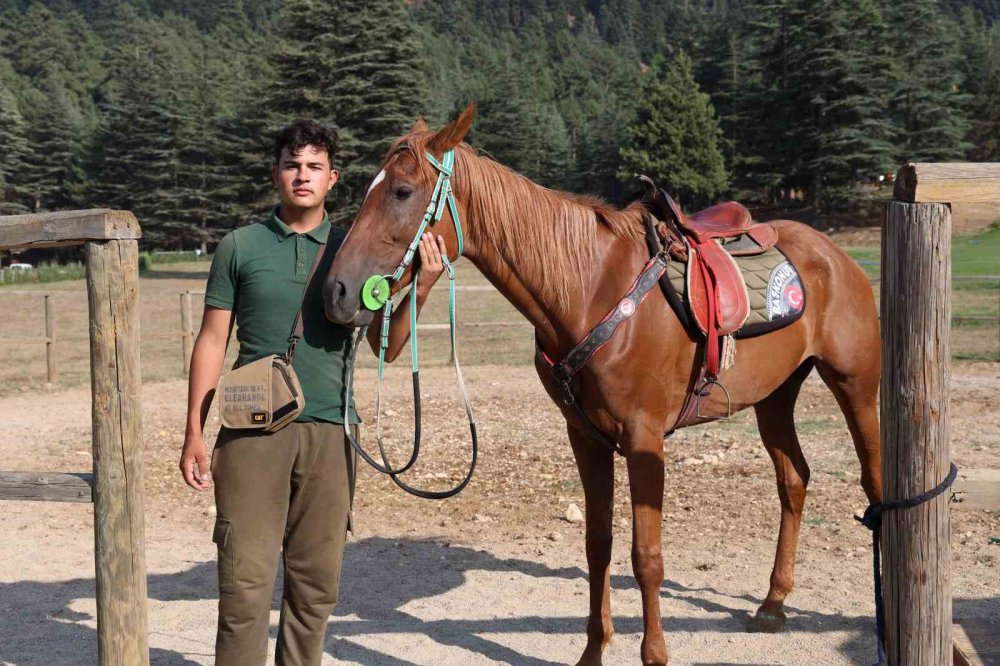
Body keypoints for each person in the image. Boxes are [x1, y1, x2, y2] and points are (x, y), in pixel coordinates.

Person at [179, 119, 448, 665]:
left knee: (315, 588)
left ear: (333, 178)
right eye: (292, 164)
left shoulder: (357, 248)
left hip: (331, 433)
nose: (302, 176)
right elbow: (211, 341)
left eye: (314, 167)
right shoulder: (239, 246)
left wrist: (420, 287)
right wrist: (193, 431)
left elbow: (386, 346)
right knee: (243, 585)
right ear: (275, 173)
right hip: (251, 434)